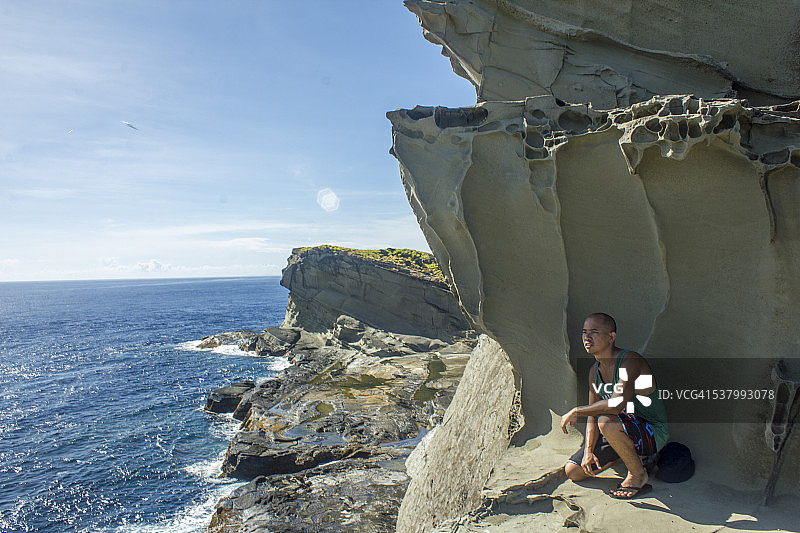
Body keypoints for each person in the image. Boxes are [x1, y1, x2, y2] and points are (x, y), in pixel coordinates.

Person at [560, 313, 669, 499]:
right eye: (584, 332)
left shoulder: (630, 361)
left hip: (651, 431)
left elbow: (616, 405)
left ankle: (638, 475)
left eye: (594, 332)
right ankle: (631, 456)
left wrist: (577, 410)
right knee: (574, 471)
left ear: (611, 337)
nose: (587, 337)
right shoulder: (595, 371)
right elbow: (592, 415)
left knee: (606, 420)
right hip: (619, 429)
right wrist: (588, 452)